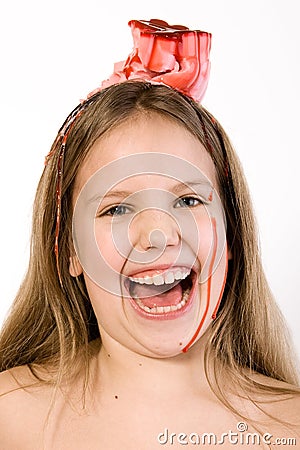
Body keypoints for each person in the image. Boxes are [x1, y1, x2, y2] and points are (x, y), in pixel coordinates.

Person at [0, 19, 299, 450]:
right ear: (68, 248)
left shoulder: (292, 428)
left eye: (189, 201)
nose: (158, 235)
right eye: (117, 208)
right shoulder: (10, 415)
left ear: (231, 233)